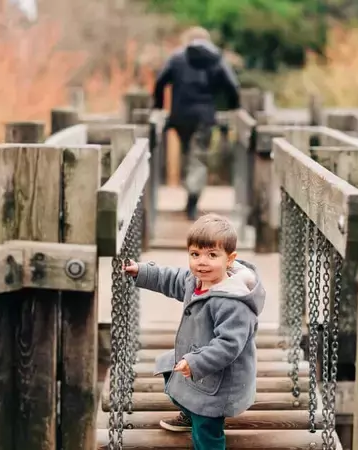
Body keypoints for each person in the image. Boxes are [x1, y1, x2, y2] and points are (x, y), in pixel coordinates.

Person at [122, 213, 265, 449]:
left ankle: (201, 429)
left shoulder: (233, 302)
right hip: (196, 357)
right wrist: (141, 271)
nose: (202, 262)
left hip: (221, 379)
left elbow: (228, 345)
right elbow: (170, 278)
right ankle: (189, 414)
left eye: (212, 255)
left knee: (207, 429)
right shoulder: (196, 280)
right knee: (170, 369)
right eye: (195, 254)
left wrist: (196, 362)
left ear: (230, 259)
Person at [152, 26, 241, 220]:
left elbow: (160, 82)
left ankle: (189, 190)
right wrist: (234, 107)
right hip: (205, 117)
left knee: (187, 152)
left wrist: (158, 105)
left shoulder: (176, 57)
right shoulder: (215, 59)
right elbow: (232, 86)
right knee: (198, 156)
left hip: (180, 116)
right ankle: (193, 198)